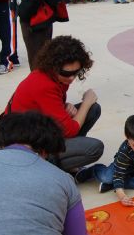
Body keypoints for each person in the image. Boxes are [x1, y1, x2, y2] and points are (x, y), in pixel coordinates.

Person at [6, 35, 104, 173]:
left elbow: (45, 105)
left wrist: (64, 105)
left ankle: (65, 157)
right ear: (53, 66)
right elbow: (70, 131)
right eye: (66, 73)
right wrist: (86, 102)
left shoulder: (57, 77)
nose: (71, 78)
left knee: (94, 109)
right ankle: (50, 165)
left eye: (76, 72)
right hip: (25, 145)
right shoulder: (43, 84)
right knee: (94, 148)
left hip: (38, 128)